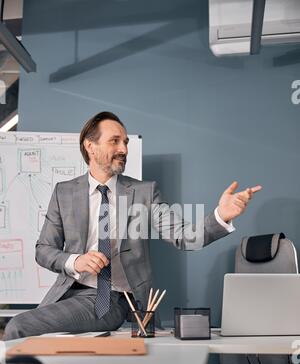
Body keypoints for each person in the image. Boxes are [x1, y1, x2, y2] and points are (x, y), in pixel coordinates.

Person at [3, 112, 261, 340]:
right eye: (114, 140)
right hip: (68, 294)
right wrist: (75, 261)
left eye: (125, 141)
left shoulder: (144, 192)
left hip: (110, 298)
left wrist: (221, 216)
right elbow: (43, 249)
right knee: (27, 336)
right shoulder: (65, 192)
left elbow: (184, 236)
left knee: (18, 327)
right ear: (90, 147)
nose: (124, 148)